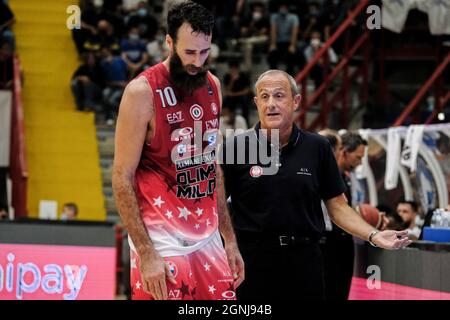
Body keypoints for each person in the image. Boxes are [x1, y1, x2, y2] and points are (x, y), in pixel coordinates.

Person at [221, 69, 412, 300]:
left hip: (304, 261)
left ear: (296, 101)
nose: (271, 103)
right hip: (252, 261)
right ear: (256, 102)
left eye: (279, 95)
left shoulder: (318, 147)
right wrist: (229, 243)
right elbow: (216, 204)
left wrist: (373, 235)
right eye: (264, 96)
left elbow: (338, 207)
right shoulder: (235, 147)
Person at [112, 1, 244, 300]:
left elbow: (212, 167)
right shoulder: (141, 92)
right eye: (190, 52)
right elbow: (121, 176)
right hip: (161, 242)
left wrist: (230, 240)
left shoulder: (213, 86)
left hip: (208, 239)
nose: (198, 61)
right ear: (169, 42)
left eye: (205, 52)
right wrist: (146, 253)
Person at [319, 130, 367, 300]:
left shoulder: (349, 177)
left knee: (341, 290)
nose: (359, 163)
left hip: (344, 239)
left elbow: (349, 208)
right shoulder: (320, 174)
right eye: (358, 157)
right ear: (343, 151)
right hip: (325, 240)